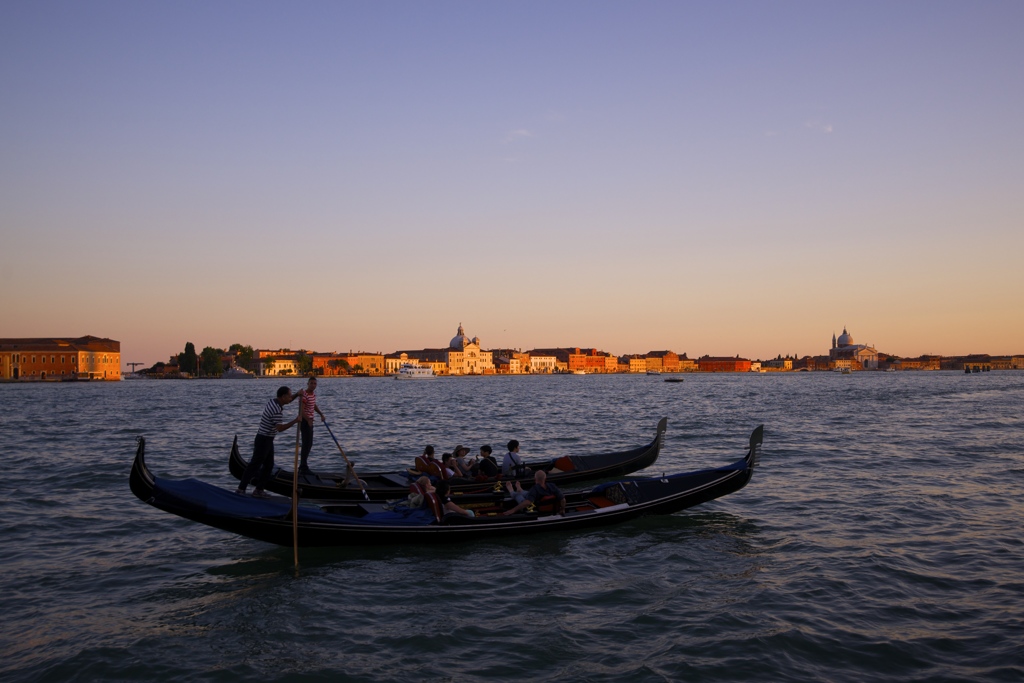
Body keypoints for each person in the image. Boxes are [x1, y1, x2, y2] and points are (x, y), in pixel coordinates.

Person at [236, 386, 300, 498]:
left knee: (268, 466)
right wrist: (295, 420)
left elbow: (288, 401)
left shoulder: (274, 402)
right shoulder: (276, 410)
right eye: (289, 396)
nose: (290, 398)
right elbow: (279, 428)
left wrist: (297, 394)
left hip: (267, 439)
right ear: (283, 396)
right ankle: (241, 489)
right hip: (264, 440)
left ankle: (259, 489)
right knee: (254, 465)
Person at [297, 376, 326, 473]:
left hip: (310, 421)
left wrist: (321, 414)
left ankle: (303, 465)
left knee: (309, 444)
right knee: (306, 444)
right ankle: (303, 467)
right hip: (305, 421)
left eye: (315, 383)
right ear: (308, 384)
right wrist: (308, 419)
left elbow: (313, 405)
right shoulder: (304, 395)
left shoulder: (312, 395)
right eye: (311, 383)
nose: (313, 385)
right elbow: (301, 410)